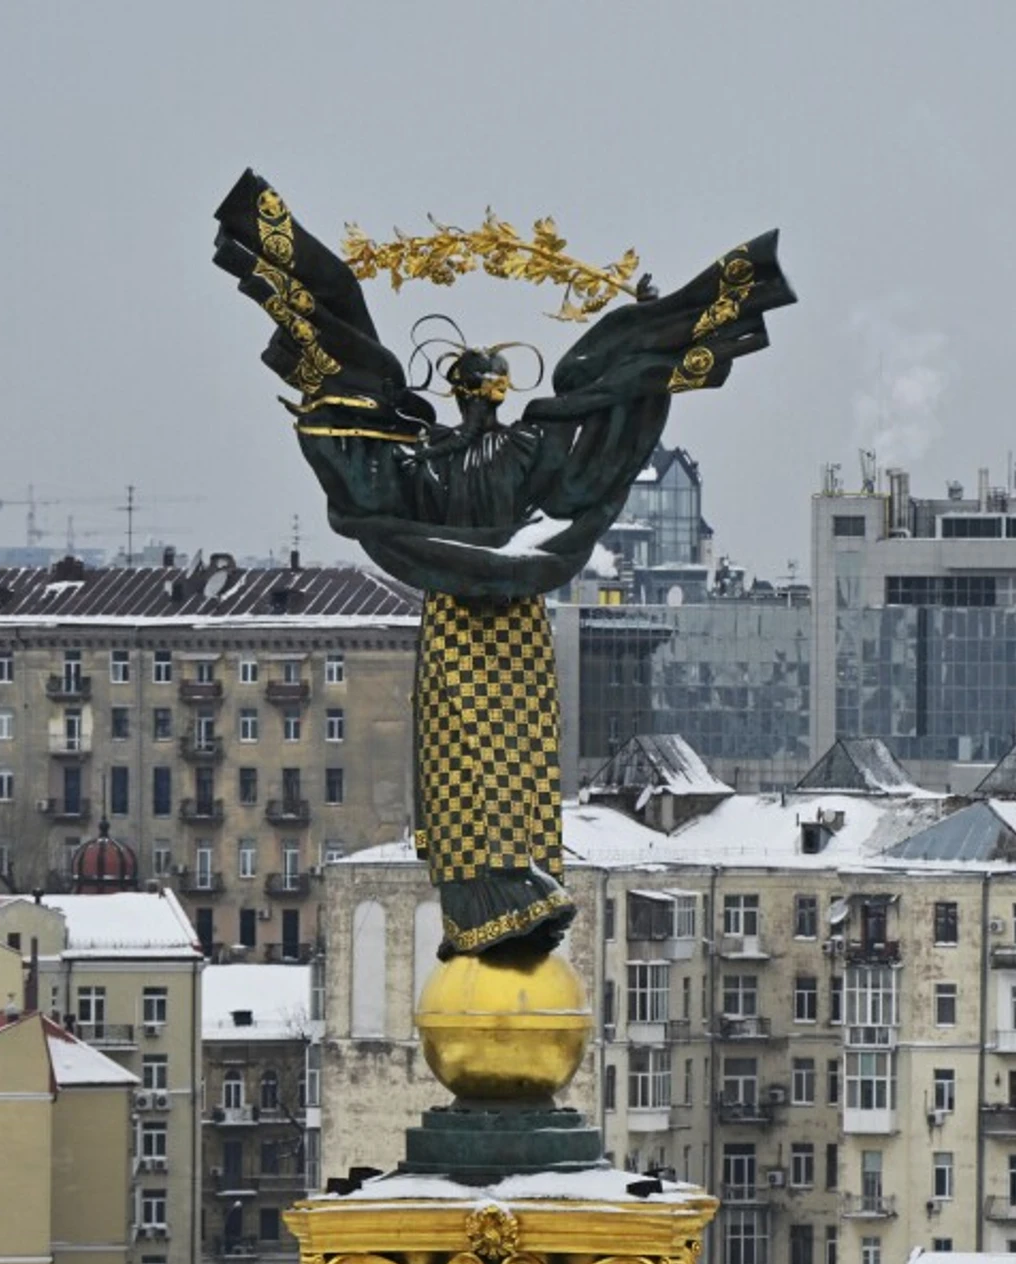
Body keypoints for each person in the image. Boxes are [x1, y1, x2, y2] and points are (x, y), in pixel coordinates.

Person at [214, 169, 793, 957]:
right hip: (513, 622)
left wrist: (339, 393)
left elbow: (366, 472)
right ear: (494, 386)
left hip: (458, 623)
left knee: (469, 759)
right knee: (506, 756)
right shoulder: (528, 450)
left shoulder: (431, 462)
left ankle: (491, 897)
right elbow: (607, 431)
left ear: (461, 393)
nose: (480, 399)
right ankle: (503, 892)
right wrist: (648, 331)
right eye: (485, 388)